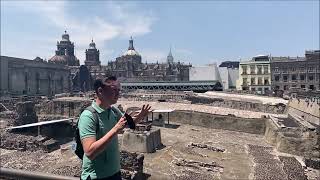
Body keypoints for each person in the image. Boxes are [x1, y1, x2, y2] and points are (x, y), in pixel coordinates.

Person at [78, 76, 151, 180]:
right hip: (96, 176)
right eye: (113, 90)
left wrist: (140, 116)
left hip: (115, 173)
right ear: (100, 91)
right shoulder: (88, 116)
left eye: (118, 90)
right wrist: (115, 129)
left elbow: (129, 124)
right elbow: (90, 152)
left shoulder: (113, 110)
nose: (118, 94)